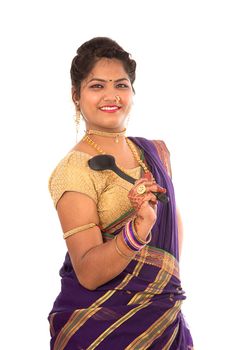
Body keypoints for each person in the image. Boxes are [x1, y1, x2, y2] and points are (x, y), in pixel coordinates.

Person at [48, 37, 194, 350]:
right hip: (101, 331)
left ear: (132, 91)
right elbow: (87, 273)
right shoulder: (74, 170)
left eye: (121, 85)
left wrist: (156, 294)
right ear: (76, 95)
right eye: (97, 86)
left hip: (163, 322)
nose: (111, 96)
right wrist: (138, 229)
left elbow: (171, 244)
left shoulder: (155, 152)